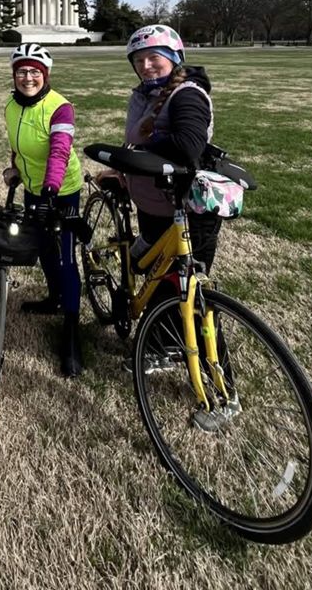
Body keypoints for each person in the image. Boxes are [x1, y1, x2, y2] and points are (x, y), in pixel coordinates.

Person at [103, 25, 222, 369]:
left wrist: (141, 149)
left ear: (174, 58)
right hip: (152, 202)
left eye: (154, 57)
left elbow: (188, 146)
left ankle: (206, 367)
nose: (146, 65)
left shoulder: (186, 94)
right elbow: (135, 140)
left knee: (187, 290)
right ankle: (160, 342)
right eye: (138, 60)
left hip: (186, 209)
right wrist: (124, 166)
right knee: (157, 277)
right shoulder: (145, 94)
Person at [3, 43, 85, 377]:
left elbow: (59, 151)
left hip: (61, 190)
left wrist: (51, 189)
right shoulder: (11, 105)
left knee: (65, 258)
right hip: (33, 189)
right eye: (22, 71)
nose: (28, 77)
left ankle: (72, 329)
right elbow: (18, 145)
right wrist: (15, 169)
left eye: (34, 72)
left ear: (45, 75)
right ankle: (54, 298)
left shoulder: (60, 108)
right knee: (44, 249)